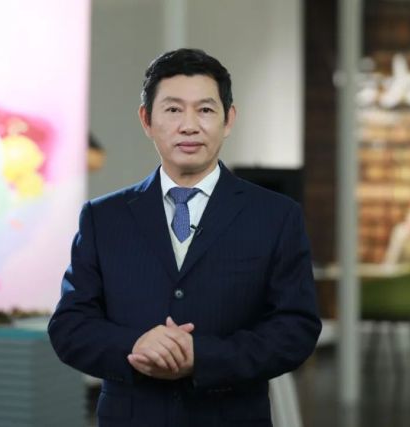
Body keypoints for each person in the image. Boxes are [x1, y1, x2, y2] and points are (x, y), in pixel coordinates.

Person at [48, 48, 321, 427]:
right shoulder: (104, 217)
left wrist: (203, 356)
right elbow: (70, 326)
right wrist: (134, 345)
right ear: (147, 120)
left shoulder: (276, 216)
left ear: (228, 119)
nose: (189, 125)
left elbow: (295, 329)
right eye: (173, 110)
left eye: (205, 110)